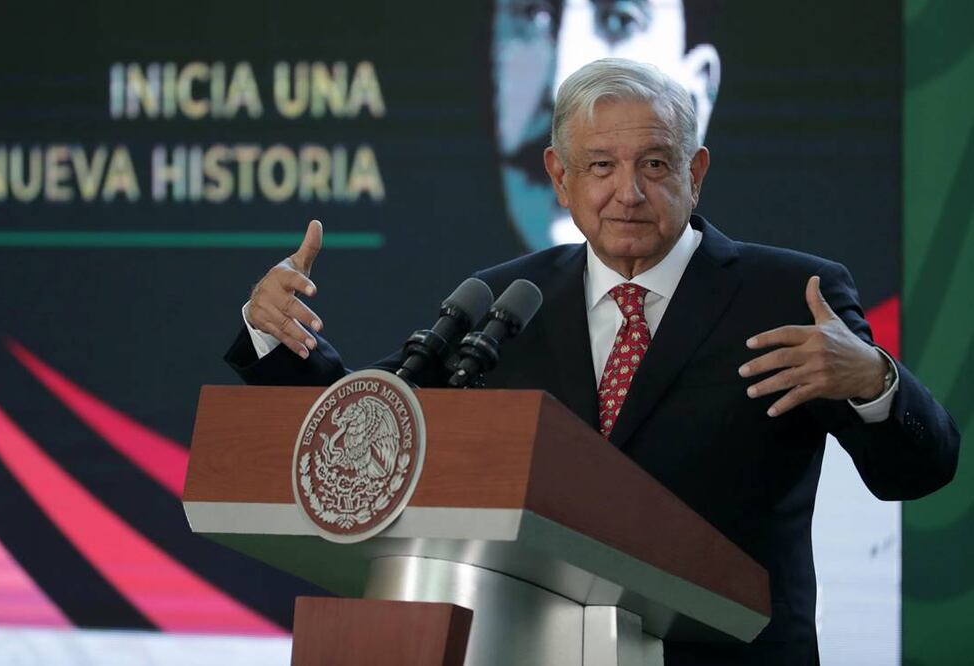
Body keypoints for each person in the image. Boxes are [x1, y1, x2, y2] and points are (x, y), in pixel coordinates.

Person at [226, 59, 959, 665]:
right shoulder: (508, 299)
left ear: (695, 171)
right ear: (560, 176)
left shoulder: (789, 293)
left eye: (654, 164)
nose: (627, 193)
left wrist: (875, 384)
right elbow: (379, 419)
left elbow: (917, 471)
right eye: (600, 166)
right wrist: (279, 339)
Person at [492, 0, 721, 249]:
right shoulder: (480, 286)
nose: (559, 89)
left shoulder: (765, 285)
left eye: (620, 20)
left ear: (695, 100)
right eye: (534, 15)